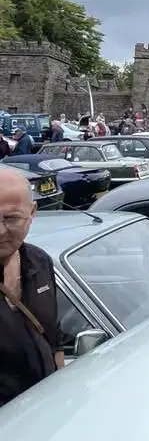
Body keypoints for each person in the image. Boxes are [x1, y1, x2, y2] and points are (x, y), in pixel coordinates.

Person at [0, 167, 62, 407]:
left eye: (11, 218)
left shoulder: (39, 261)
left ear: (32, 212)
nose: (1, 230)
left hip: (41, 416)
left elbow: (53, 340)